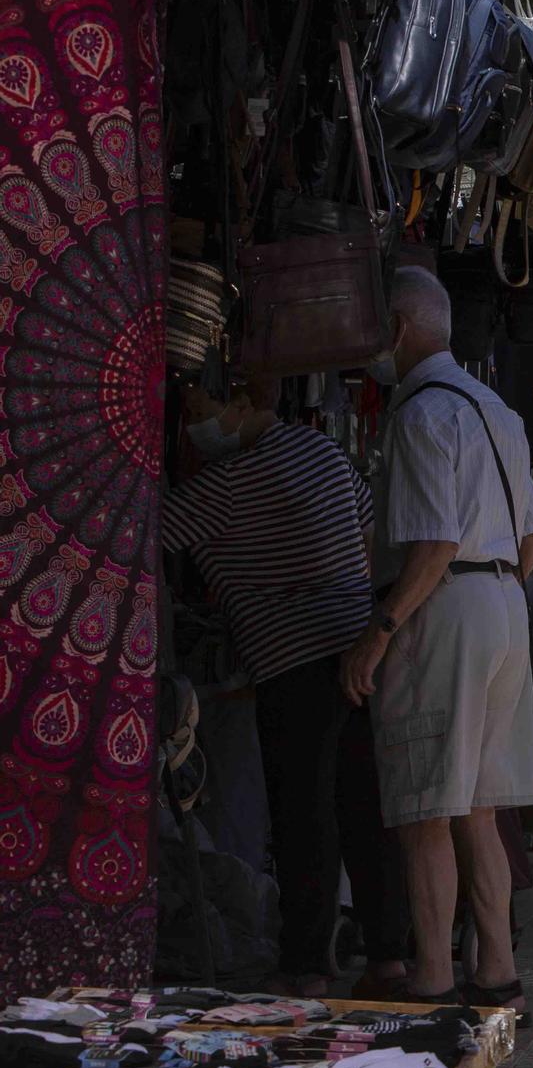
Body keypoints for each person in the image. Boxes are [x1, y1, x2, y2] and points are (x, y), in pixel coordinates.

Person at [338, 268, 533, 1020]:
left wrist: (381, 629)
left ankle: (433, 976)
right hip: (498, 601)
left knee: (427, 805)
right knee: (479, 805)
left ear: (397, 328)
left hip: (447, 603)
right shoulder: (494, 407)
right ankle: (497, 973)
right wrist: (492, 583)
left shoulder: (422, 412)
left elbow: (431, 541)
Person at [162, 378, 409, 999]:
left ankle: (306, 965)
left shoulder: (227, 482)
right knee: (362, 809)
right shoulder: (325, 452)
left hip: (291, 663)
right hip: (356, 651)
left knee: (303, 817)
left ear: (243, 402)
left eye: (201, 411)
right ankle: (388, 956)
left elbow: (146, 537)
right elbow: (369, 534)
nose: (194, 427)